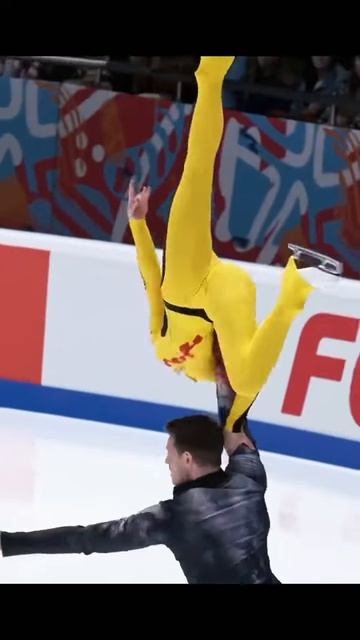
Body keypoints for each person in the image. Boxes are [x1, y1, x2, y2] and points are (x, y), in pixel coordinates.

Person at [128, 55, 314, 431]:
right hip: (217, 297)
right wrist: (232, 424)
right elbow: (248, 378)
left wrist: (138, 224)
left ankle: (209, 76)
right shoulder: (215, 373)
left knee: (196, 171)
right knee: (246, 380)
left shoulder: (161, 346)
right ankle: (293, 293)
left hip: (182, 283)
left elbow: (151, 278)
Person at [0, 414, 280, 584]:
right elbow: (237, 429)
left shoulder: (175, 517)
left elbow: (87, 539)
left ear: (187, 458)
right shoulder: (249, 481)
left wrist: (9, 542)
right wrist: (225, 375)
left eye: (170, 454)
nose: (166, 460)